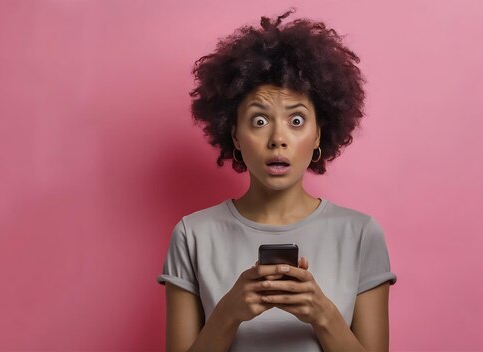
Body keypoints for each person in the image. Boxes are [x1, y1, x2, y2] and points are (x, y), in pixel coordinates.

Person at [156, 8, 397, 352]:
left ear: (318, 134)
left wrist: (322, 313)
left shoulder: (360, 234)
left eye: (296, 121)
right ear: (235, 135)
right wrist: (229, 313)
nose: (278, 139)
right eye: (259, 121)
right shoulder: (193, 235)